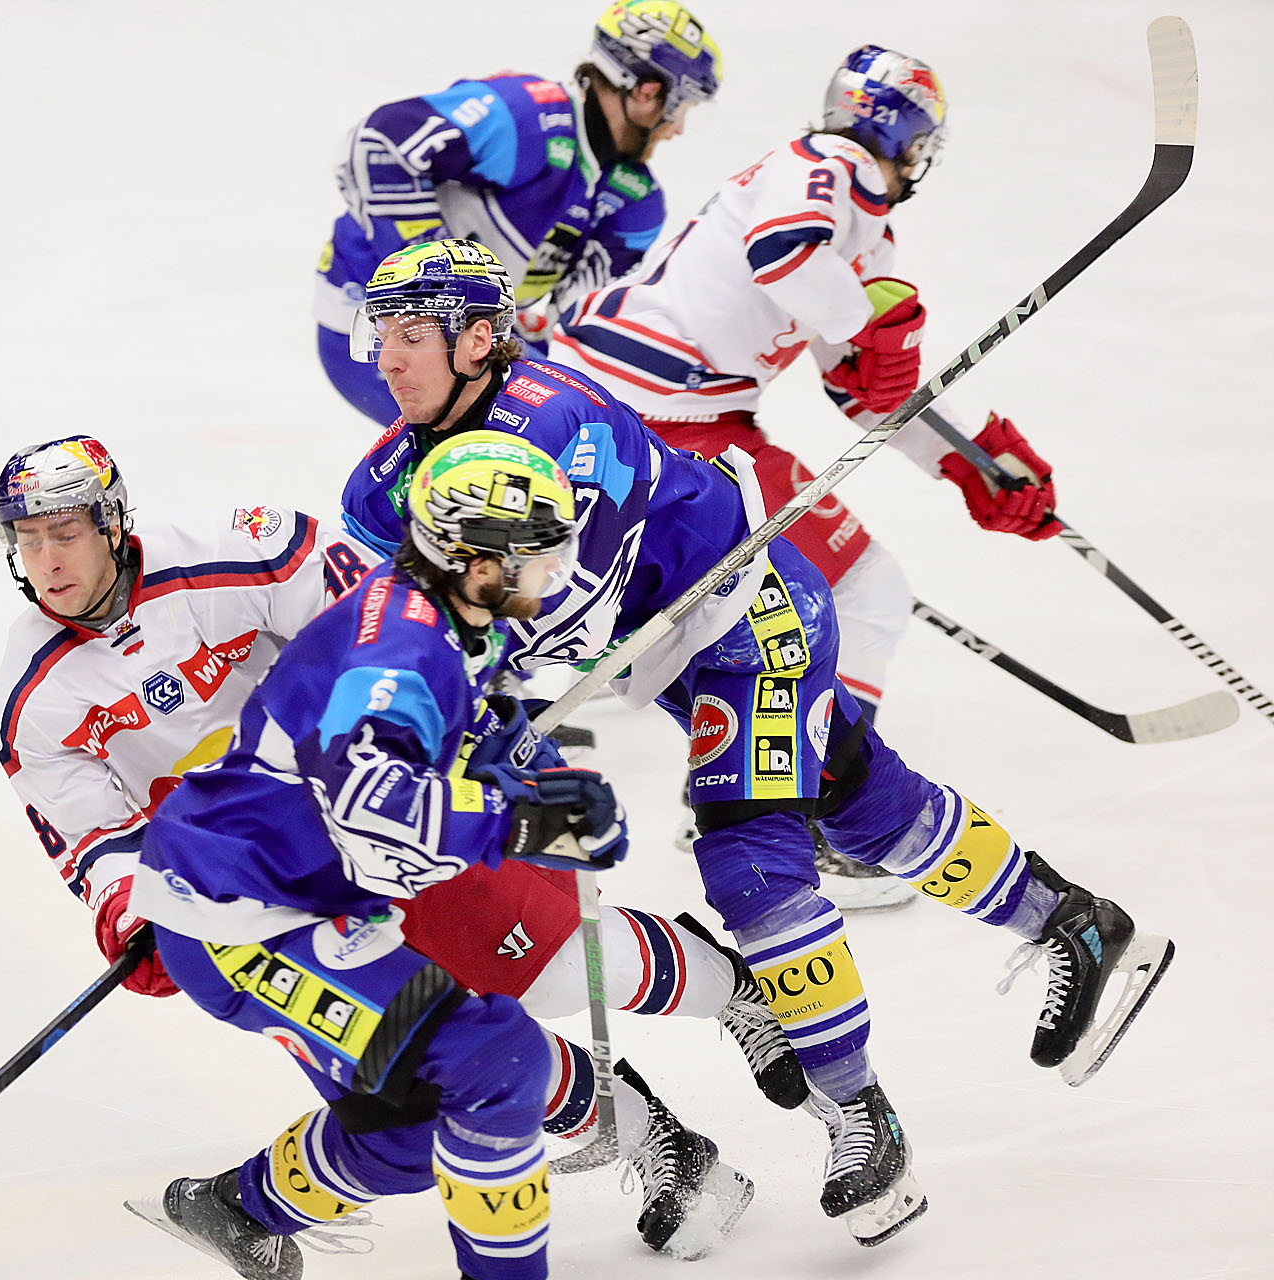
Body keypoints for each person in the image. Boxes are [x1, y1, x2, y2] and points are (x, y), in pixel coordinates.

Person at [338, 237, 1174, 1246]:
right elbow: (403, 614)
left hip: (740, 611)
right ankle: (1074, 922)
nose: (388, 356)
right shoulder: (381, 481)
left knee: (749, 856)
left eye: (413, 333)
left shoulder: (555, 419)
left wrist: (486, 706)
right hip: (665, 656)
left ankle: (860, 1116)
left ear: (479, 338)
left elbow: (568, 612)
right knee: (862, 799)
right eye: (382, 332)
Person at [0, 433, 779, 1260]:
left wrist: (466, 727)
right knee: (439, 1073)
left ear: (112, 524)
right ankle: (658, 1141)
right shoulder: (30, 697)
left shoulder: (241, 550)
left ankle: (730, 995)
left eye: (65, 532)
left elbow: (377, 630)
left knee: (542, 975)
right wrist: (131, 907)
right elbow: (95, 835)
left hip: (377, 818)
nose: (48, 559)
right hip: (279, 883)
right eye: (28, 538)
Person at [548, 45, 1062, 905]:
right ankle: (817, 818)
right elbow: (783, 257)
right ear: (905, 138)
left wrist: (975, 461)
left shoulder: (863, 229)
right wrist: (867, 324)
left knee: (759, 612)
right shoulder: (826, 165)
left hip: (651, 410)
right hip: (658, 418)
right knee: (859, 591)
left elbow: (869, 395)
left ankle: (748, 792)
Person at [316, 0, 720, 424]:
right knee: (501, 446)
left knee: (586, 422)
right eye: (682, 104)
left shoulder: (636, 201)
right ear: (646, 90)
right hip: (368, 326)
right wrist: (435, 280)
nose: (678, 128)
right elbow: (379, 146)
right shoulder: (527, 115)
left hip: (471, 341)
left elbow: (579, 327)